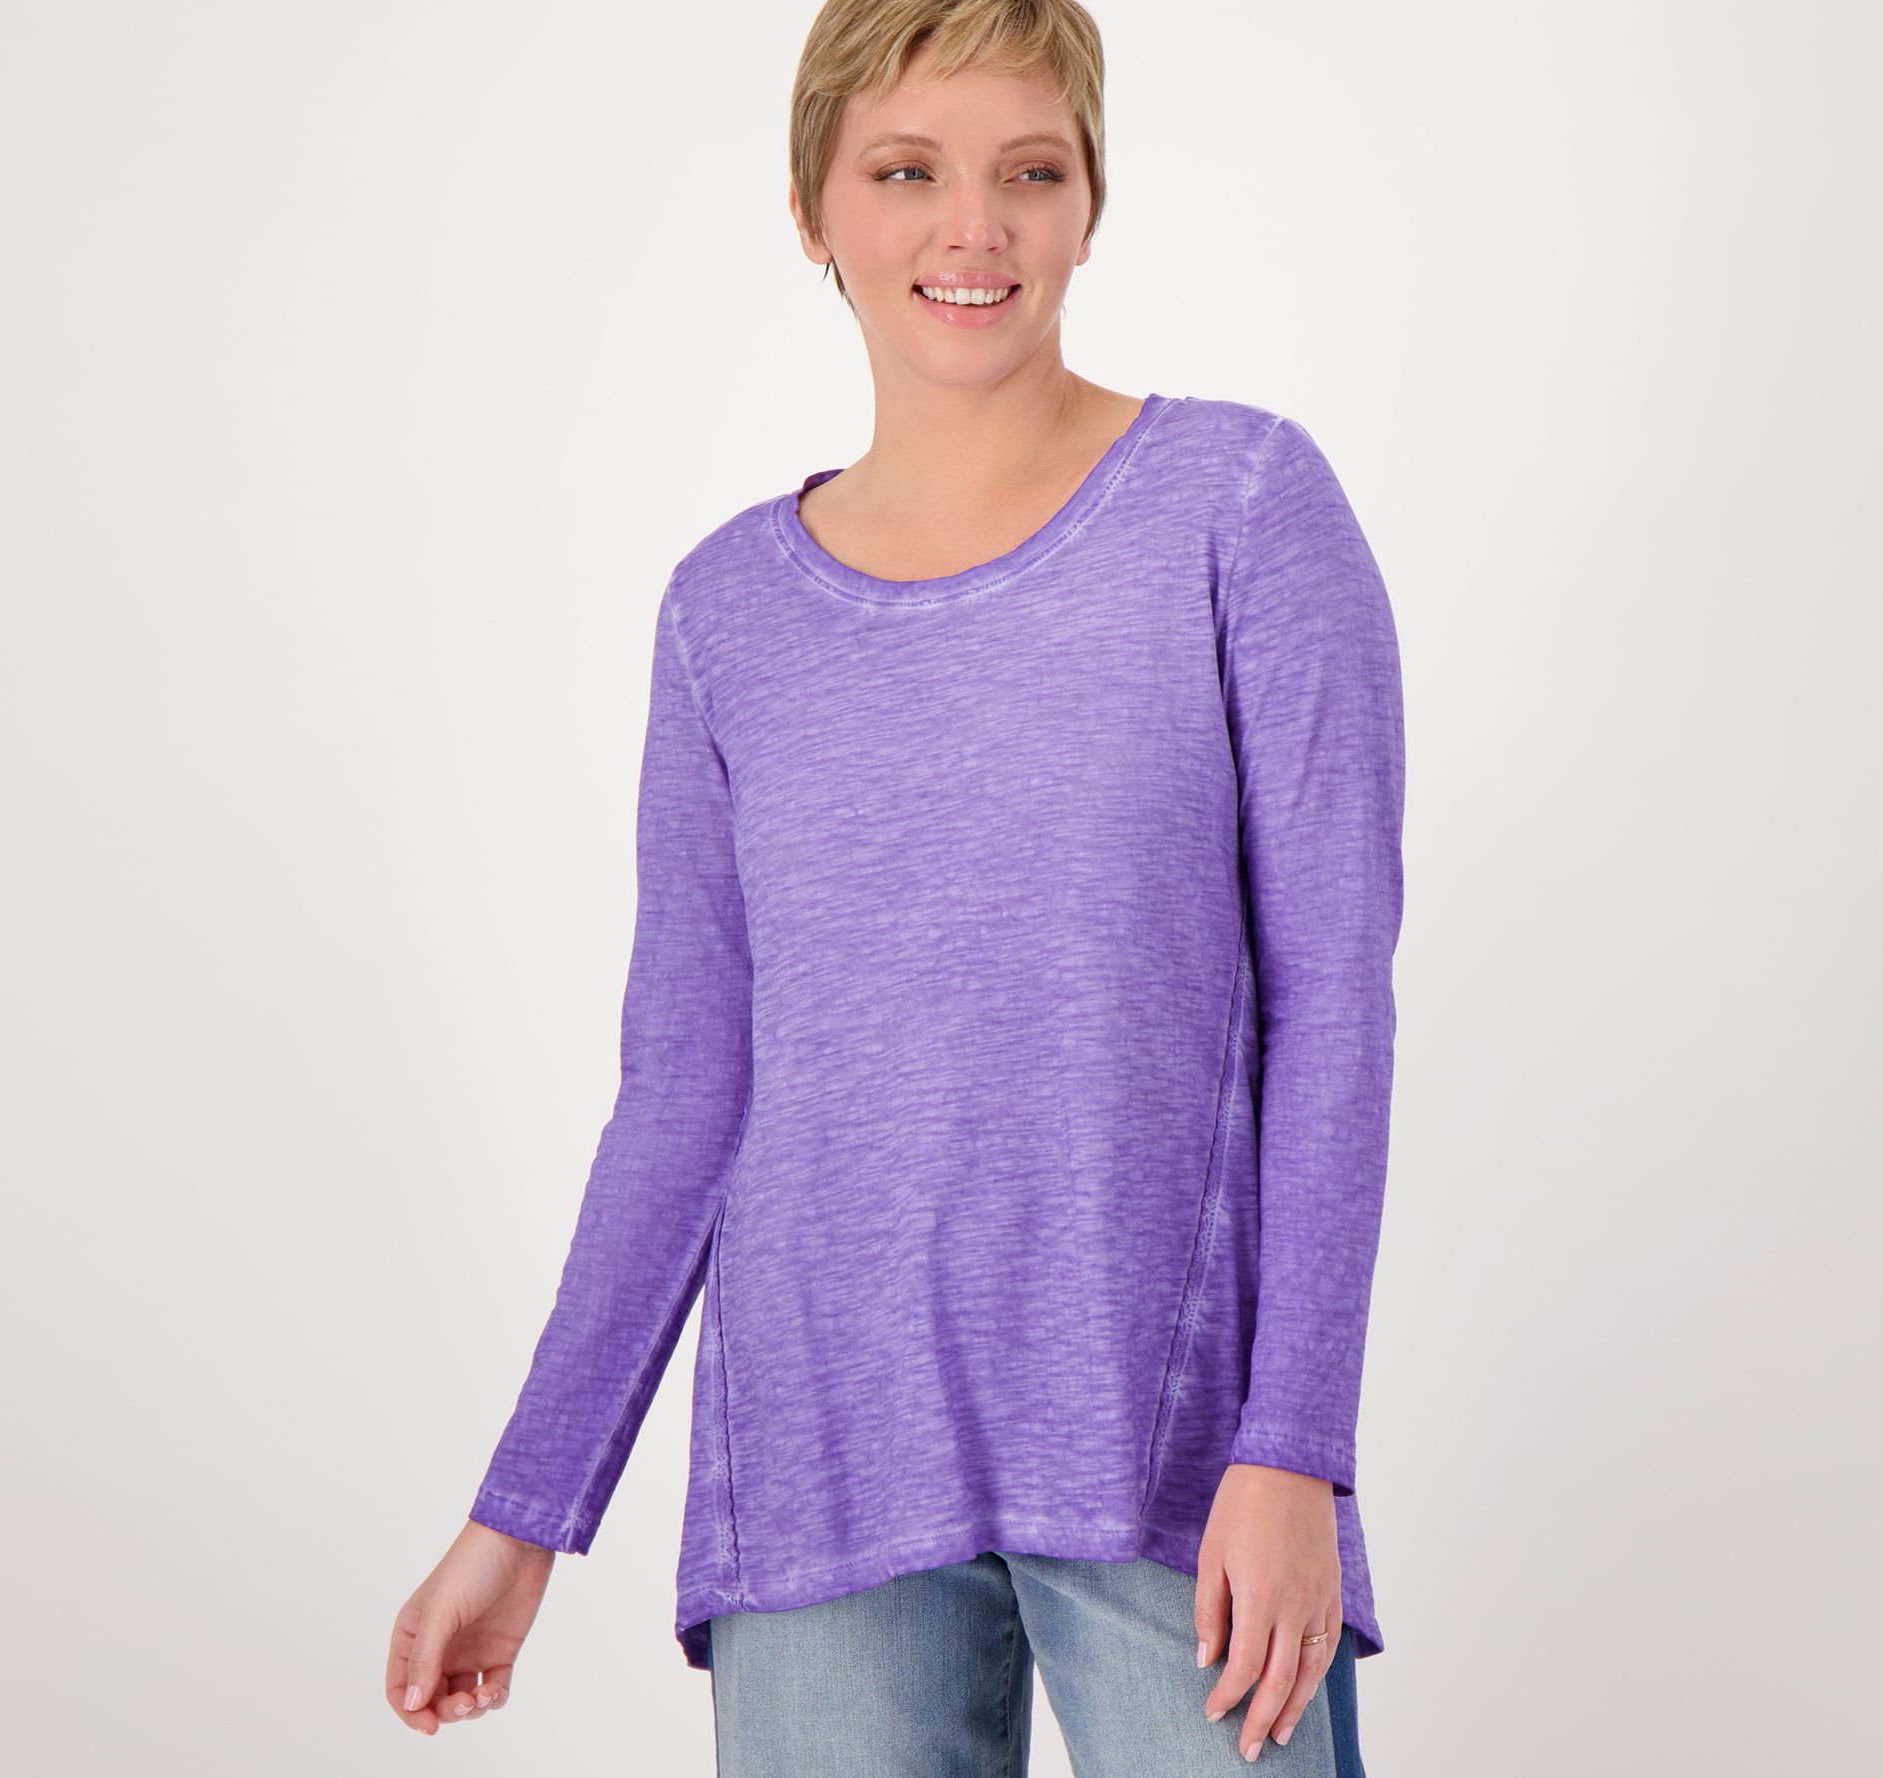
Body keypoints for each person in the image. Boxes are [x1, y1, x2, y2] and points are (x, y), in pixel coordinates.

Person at [385, 2, 1403, 1771]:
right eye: (908, 172)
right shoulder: (726, 615)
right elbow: (686, 1096)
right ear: (815, 211)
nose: (973, 229)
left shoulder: (1240, 506)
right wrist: (523, 1512)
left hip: (1172, 1461)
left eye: (1032, 172)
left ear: (1091, 202)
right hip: (818, 1472)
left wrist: (1296, 1442)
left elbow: (1333, 999)